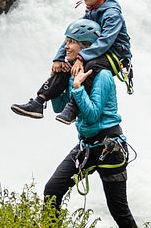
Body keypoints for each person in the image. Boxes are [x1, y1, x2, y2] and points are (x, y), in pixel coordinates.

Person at [43, 19, 139, 228]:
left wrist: (77, 88)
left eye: (71, 42)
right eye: (66, 41)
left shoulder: (103, 75)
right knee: (52, 190)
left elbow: (93, 113)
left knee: (119, 211)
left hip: (109, 147)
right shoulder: (74, 72)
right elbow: (60, 109)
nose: (66, 46)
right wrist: (55, 82)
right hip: (86, 145)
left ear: (84, 45)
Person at [11, 0, 132, 123]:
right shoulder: (92, 11)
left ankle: (73, 109)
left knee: (89, 65)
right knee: (66, 66)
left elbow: (105, 41)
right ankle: (39, 101)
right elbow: (74, 36)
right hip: (96, 53)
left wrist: (81, 57)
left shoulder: (112, 13)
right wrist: (59, 58)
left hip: (115, 56)